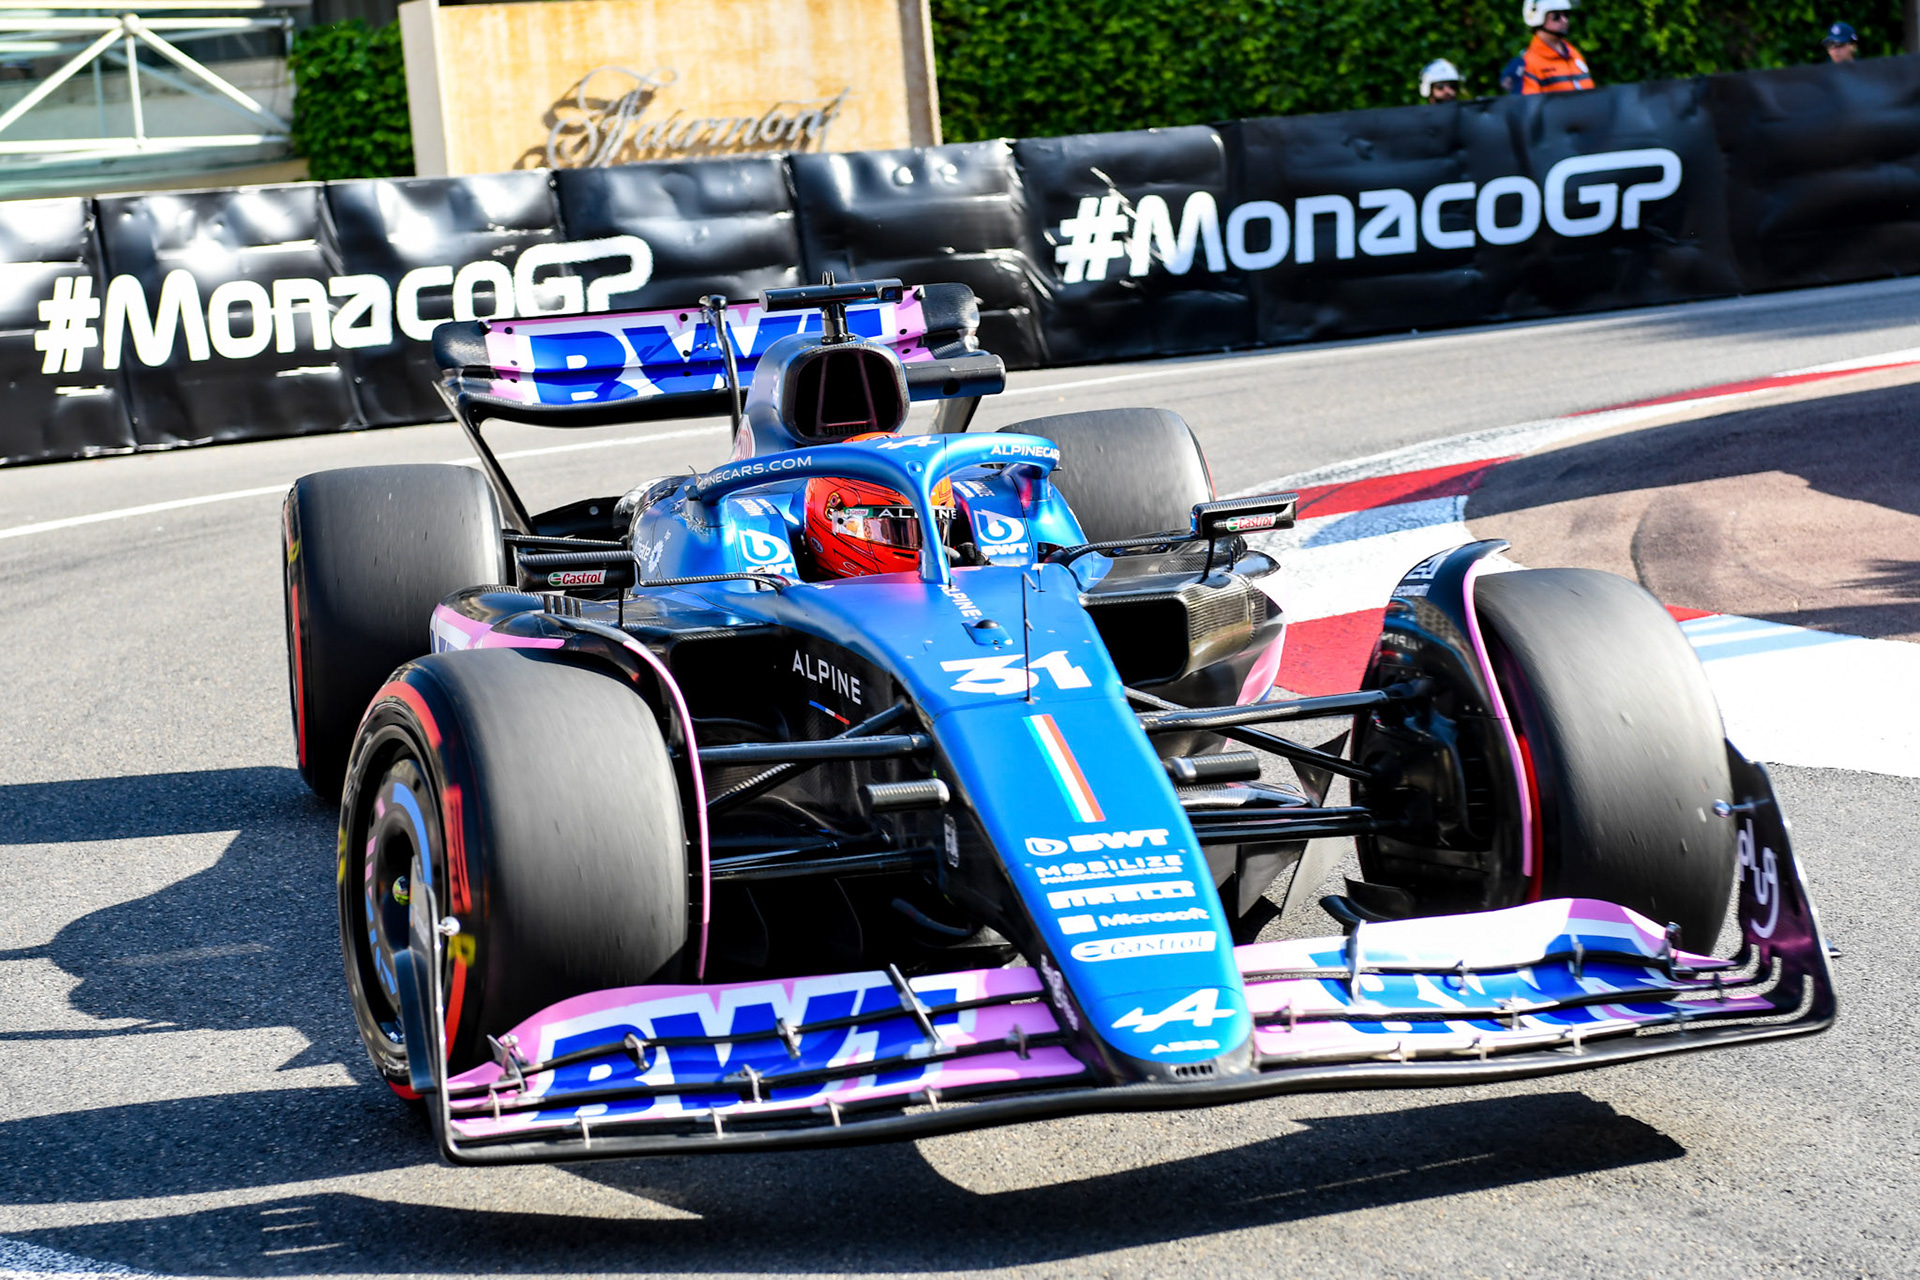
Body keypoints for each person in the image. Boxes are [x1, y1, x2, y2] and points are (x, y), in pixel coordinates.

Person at [1520, 0, 1595, 94]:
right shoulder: (1529, 63)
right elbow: (1529, 105)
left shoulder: (1574, 54)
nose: (1564, 20)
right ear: (1537, 17)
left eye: (1566, 14)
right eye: (1556, 16)